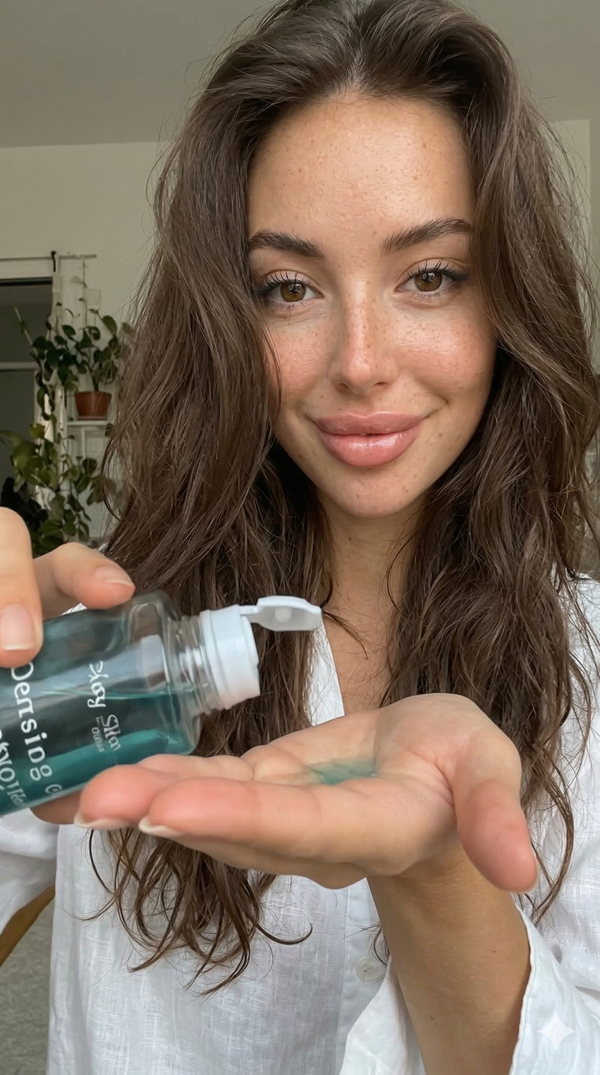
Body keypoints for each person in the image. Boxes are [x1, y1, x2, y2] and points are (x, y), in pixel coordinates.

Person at [1, 0, 600, 1071]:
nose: (360, 362)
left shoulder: (591, 662)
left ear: (509, 299)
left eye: (430, 275)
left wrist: (435, 872)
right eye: (288, 288)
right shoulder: (107, 644)